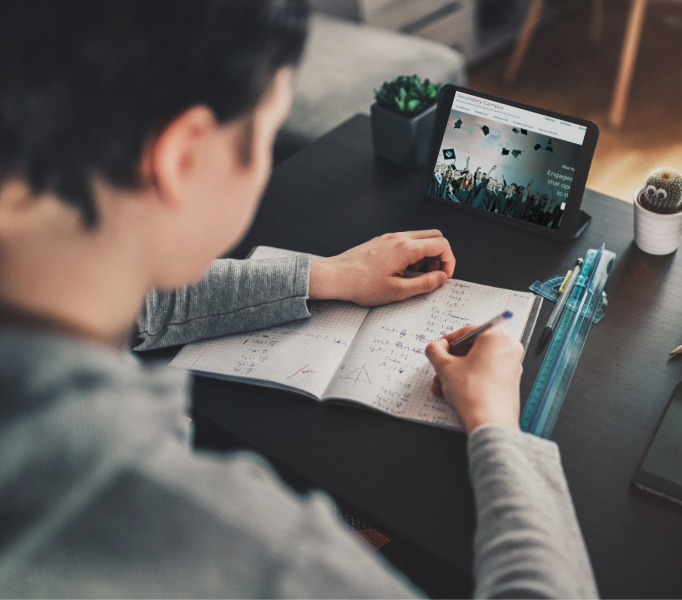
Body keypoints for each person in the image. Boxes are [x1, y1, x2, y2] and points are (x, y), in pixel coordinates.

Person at [0, 2, 599, 597]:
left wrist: (329, 275)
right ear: (181, 158)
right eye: (265, 131)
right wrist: (497, 423)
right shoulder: (263, 556)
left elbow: (145, 309)